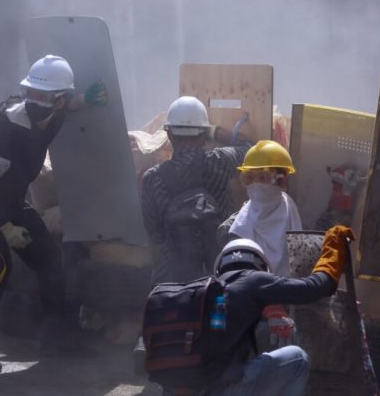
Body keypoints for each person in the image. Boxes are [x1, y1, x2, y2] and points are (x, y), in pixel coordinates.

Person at [0, 55, 107, 372]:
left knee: (49, 259)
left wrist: (86, 99)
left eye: (42, 96)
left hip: (7, 197)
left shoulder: (56, 113)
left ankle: (55, 340)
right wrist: (6, 227)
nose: (34, 100)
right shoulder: (5, 130)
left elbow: (69, 105)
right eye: (31, 93)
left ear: (59, 100)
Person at [152, 225, 353, 396]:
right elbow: (314, 288)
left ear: (220, 266)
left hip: (180, 389)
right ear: (260, 265)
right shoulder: (254, 280)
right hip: (221, 390)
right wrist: (333, 249)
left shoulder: (209, 289)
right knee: (298, 359)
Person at [141, 96, 250, 285]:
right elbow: (250, 148)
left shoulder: (152, 178)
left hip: (172, 279)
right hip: (219, 271)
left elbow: (155, 234)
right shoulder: (220, 161)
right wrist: (216, 131)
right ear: (203, 135)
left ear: (169, 135)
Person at [217, 140, 302, 278]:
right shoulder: (234, 229)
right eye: (250, 178)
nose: (256, 185)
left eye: (263, 178)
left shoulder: (289, 209)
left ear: (282, 181)